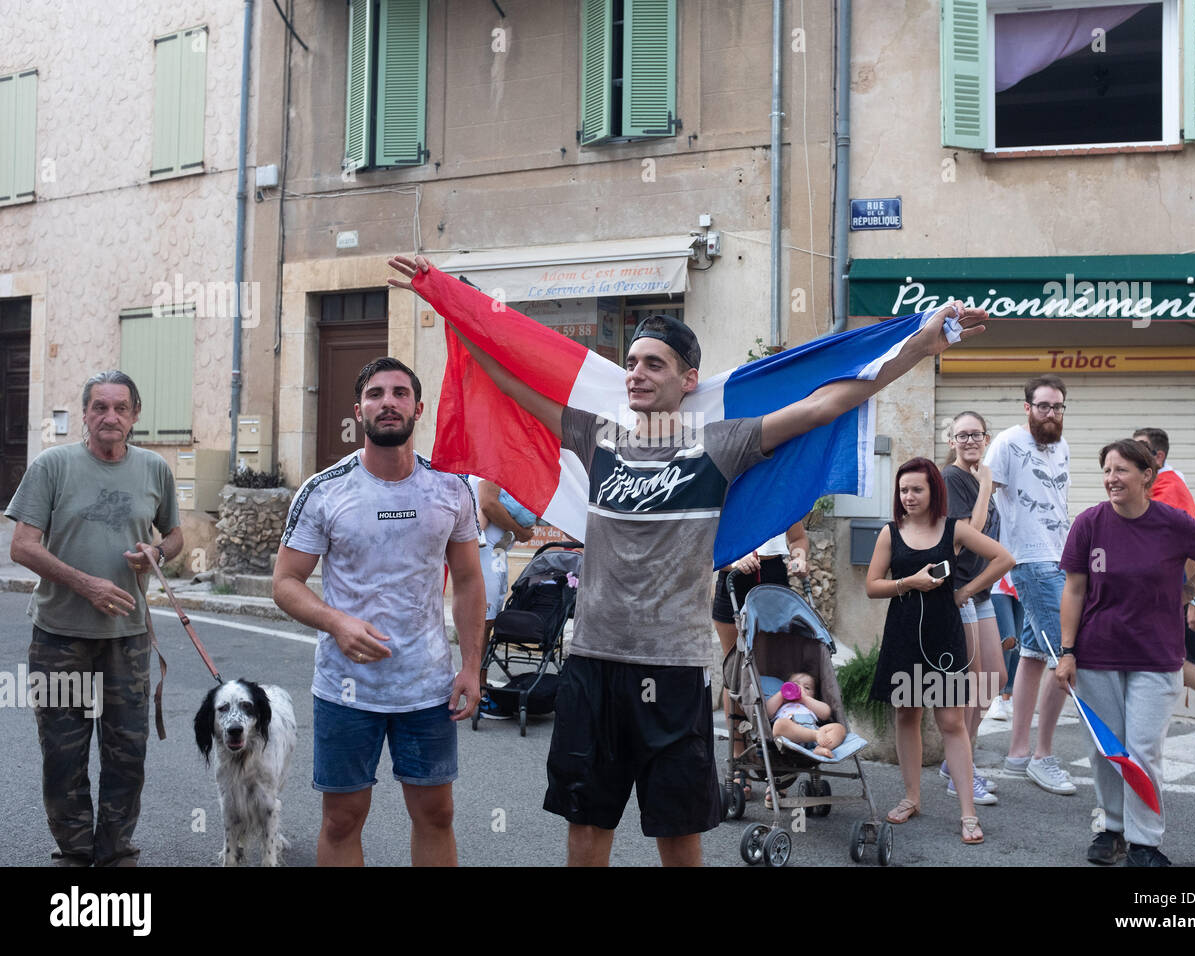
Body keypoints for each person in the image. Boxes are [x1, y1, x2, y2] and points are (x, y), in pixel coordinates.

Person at [389, 252, 989, 866]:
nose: (636, 374)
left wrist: (919, 344)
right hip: (592, 663)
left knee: (678, 835)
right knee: (586, 826)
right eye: (631, 363)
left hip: (673, 671)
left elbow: (825, 404)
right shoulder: (597, 438)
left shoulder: (720, 445)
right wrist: (448, 302)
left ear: (688, 379)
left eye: (654, 364)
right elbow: (510, 379)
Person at [273, 357, 486, 866]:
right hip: (347, 688)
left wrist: (473, 668)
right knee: (342, 819)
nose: (387, 402)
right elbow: (285, 583)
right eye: (375, 394)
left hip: (426, 687)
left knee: (436, 814)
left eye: (398, 393)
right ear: (358, 410)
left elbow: (471, 581)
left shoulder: (451, 487)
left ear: (418, 407)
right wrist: (336, 622)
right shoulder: (324, 490)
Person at [5, 370, 183, 867]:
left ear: (134, 416)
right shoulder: (52, 466)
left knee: (128, 751)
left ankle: (114, 849)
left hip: (128, 639)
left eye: (120, 408)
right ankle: (75, 852)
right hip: (59, 637)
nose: (110, 417)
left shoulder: (153, 469)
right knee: (64, 754)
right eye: (99, 407)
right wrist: (86, 584)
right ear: (84, 414)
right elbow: (22, 546)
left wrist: (157, 551)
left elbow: (174, 536)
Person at [1056, 439, 1195, 867]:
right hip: (1097, 653)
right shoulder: (1089, 522)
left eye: (1121, 471)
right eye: (1107, 471)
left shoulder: (1171, 522)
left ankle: (1145, 842)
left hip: (1156, 654)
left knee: (1143, 749)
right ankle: (1112, 829)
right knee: (1106, 749)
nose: (1112, 479)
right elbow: (1075, 589)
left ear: (1146, 475)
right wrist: (1067, 651)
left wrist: (1191, 589)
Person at [865, 457, 1014, 845]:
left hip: (943, 635)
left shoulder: (954, 529)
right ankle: (911, 797)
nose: (909, 497)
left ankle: (968, 813)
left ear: (934, 490)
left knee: (951, 721)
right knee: (906, 716)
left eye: (917, 489)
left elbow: (1004, 558)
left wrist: (965, 591)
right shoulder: (890, 532)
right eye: (903, 490)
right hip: (903, 633)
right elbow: (872, 585)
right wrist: (908, 582)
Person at [985, 374, 1076, 796]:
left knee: (1035, 654)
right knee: (1067, 654)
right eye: (1043, 406)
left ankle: (1020, 752)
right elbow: (987, 496)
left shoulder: (1063, 447)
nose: (1051, 413)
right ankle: (1043, 756)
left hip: (1061, 557)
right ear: (1027, 407)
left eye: (1057, 407)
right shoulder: (1006, 443)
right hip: (1031, 559)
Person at [713, 521, 808, 798]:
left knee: (772, 674)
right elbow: (709, 546)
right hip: (733, 579)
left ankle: (775, 761)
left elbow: (798, 538)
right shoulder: (728, 488)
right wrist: (732, 560)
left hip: (772, 574)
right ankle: (738, 759)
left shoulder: (781, 489)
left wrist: (800, 557)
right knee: (736, 672)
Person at [941, 410, 1005, 804]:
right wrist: (985, 487)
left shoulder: (977, 477)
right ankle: (958, 773)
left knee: (994, 677)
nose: (969, 441)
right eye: (961, 435)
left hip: (980, 590)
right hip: (959, 589)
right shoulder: (953, 479)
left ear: (986, 438)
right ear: (951, 441)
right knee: (970, 685)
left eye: (976, 434)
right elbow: (970, 534)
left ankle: (958, 763)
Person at [1133, 427, 1195, 705]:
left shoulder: (1170, 487)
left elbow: (1193, 548)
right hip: (1156, 593)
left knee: (1180, 663)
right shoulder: (1150, 487)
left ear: (1159, 456)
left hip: (1175, 592)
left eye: (1140, 450)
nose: (1132, 455)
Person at [470, 476, 535, 719]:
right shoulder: (495, 456)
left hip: (494, 552)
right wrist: (519, 530)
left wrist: (514, 532)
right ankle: (479, 693)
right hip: (485, 553)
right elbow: (488, 504)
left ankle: (477, 686)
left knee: (485, 622)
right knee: (481, 623)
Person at [766, 671, 845, 759]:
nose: (800, 689)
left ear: (813, 695)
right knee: (780, 724)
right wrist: (781, 694)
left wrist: (805, 699)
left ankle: (821, 748)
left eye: (807, 688)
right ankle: (815, 735)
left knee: (839, 728)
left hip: (818, 738)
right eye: (795, 685)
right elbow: (767, 712)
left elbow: (826, 713)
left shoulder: (810, 704)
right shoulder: (781, 704)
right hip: (791, 738)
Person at [986, 574, 1021, 722]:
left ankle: (1008, 696)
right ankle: (995, 696)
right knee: (1007, 638)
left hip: (1021, 580)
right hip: (998, 582)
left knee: (1018, 643)